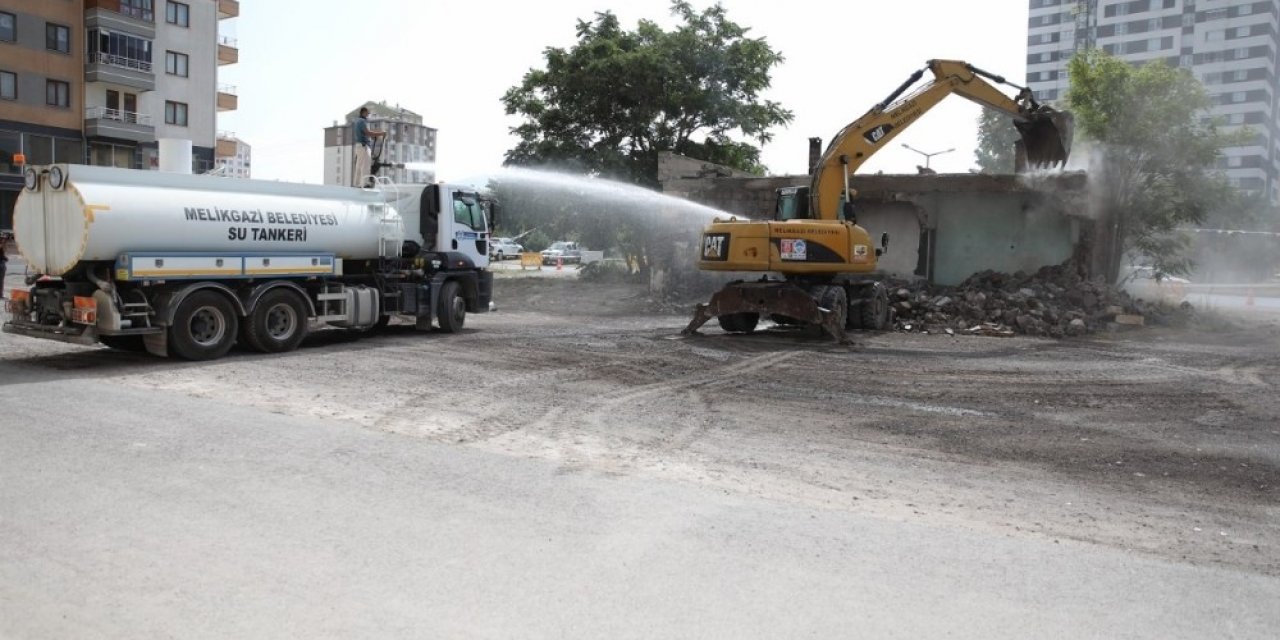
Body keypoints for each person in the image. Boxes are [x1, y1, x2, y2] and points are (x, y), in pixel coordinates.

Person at [351, 107, 386, 188]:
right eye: (367, 113)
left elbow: (365, 133)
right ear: (363, 112)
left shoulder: (357, 121)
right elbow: (368, 133)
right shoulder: (362, 121)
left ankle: (357, 184)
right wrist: (381, 133)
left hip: (359, 146)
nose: (368, 115)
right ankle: (365, 183)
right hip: (364, 146)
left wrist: (373, 136)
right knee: (366, 165)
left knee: (359, 165)